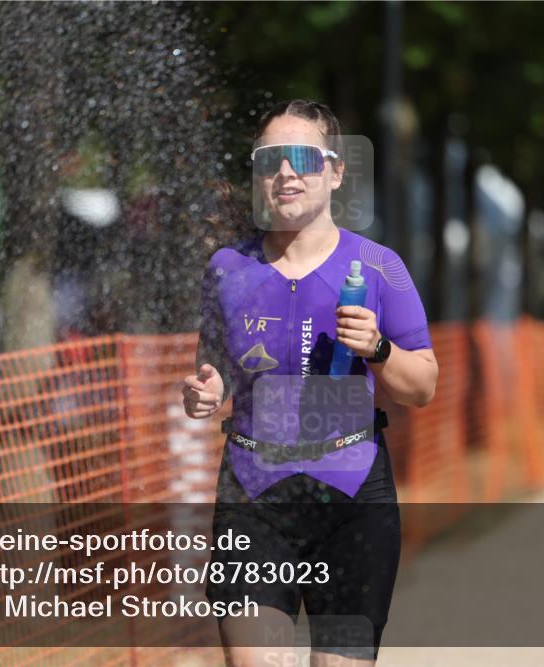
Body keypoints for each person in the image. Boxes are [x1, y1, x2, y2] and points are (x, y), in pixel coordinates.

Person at [181, 100, 438, 666]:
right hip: (253, 493)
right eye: (270, 159)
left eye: (304, 158)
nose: (287, 173)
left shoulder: (380, 267)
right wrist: (205, 392)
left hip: (351, 496)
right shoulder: (228, 267)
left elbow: (421, 386)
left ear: (336, 170)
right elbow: (215, 368)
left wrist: (377, 348)